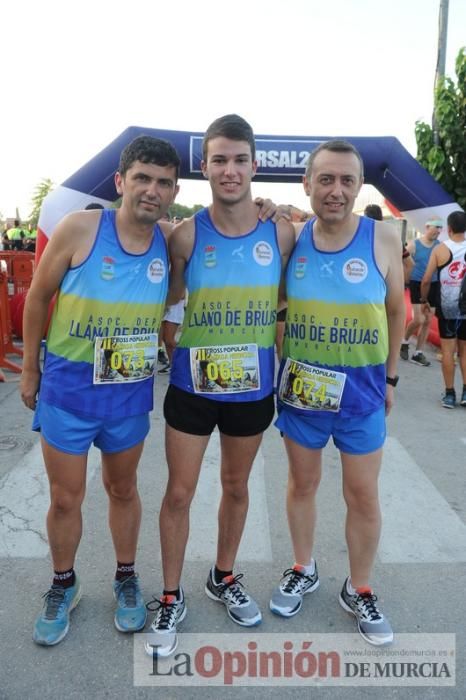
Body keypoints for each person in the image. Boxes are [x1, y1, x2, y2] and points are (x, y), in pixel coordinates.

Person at [20, 135, 181, 646]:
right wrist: (29, 370)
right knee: (66, 499)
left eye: (162, 182)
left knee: (123, 489)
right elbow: (38, 297)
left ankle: (126, 577)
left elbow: (228, 229)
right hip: (68, 391)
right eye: (142, 179)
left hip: (128, 395)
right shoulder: (81, 228)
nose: (151, 191)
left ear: (174, 189)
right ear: (120, 182)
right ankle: (63, 584)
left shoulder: (171, 241)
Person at [145, 114, 295, 658]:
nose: (229, 171)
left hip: (251, 391)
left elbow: (289, 295)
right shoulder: (184, 235)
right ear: (204, 167)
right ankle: (169, 594)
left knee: (236, 488)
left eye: (239, 160)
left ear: (254, 165)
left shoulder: (280, 231)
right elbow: (167, 302)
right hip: (192, 386)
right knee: (179, 493)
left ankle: (224, 577)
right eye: (219, 160)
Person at [270, 140, 405, 646]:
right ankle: (304, 567)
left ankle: (360, 587)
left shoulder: (383, 238)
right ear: (307, 184)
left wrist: (392, 377)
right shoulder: (292, 239)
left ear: (359, 186)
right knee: (301, 486)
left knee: (362, 494)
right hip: (304, 392)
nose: (336, 190)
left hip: (362, 395)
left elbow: (397, 311)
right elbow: (272, 297)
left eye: (347, 180)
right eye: (325, 179)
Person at [420, 210, 466, 408]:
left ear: (449, 228)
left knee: (448, 351)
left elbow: (427, 279)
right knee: (465, 351)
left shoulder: (440, 250)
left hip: (447, 306)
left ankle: (449, 394)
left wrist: (424, 300)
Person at [400, 218, 443, 365]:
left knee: (428, 320)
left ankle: (418, 353)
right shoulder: (414, 244)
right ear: (427, 227)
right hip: (417, 283)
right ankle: (404, 341)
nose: (438, 231)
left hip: (434, 284)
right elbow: (402, 261)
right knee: (419, 319)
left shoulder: (440, 246)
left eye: (440, 228)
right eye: (436, 227)